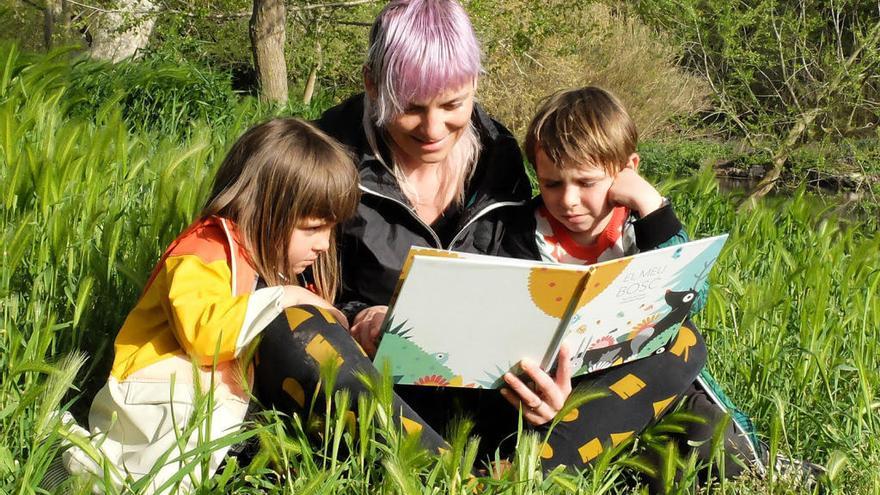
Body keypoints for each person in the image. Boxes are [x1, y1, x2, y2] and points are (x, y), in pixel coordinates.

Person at [57, 118, 361, 492]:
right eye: (312, 228)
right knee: (138, 483)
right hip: (160, 407)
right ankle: (68, 463)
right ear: (263, 210)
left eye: (331, 230)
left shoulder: (269, 263)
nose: (324, 245)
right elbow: (204, 334)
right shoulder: (203, 250)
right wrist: (284, 297)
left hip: (210, 414)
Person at [521, 86, 763, 483]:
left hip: (654, 382)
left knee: (719, 451)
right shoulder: (524, 232)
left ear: (627, 169)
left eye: (586, 182)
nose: (568, 200)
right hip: (567, 391)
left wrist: (652, 205)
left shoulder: (639, 228)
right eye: (551, 184)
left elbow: (691, 300)